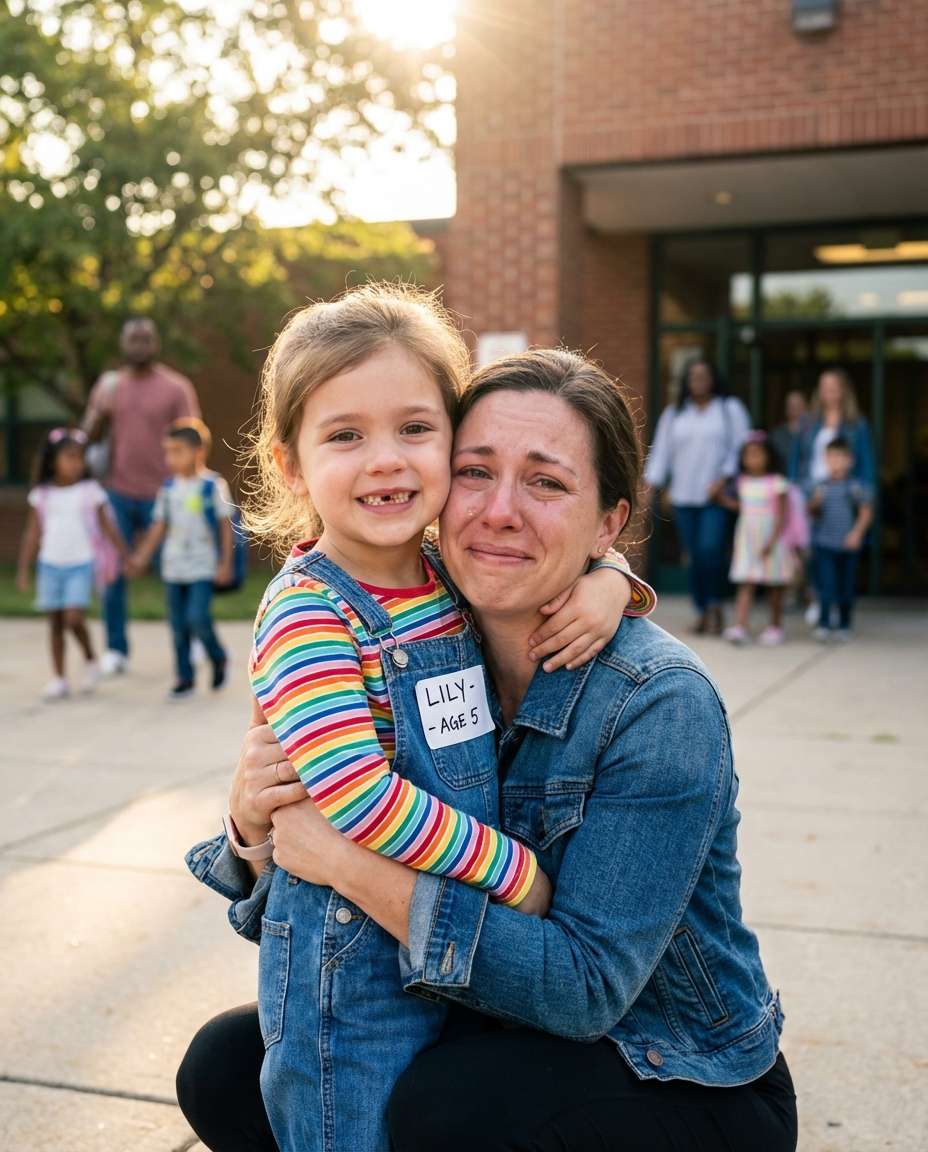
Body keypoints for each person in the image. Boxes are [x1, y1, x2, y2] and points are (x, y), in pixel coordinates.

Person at [177, 348, 797, 1152]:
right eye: (476, 472)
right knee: (227, 1064)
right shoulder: (419, 617)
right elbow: (321, 924)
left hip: (672, 1071)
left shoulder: (658, 704)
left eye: (546, 482)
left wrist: (346, 861)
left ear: (609, 521)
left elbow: (583, 992)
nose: (501, 510)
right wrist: (254, 832)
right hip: (483, 1013)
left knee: (447, 1109)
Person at [82, 317, 201, 675]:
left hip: (165, 495)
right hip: (117, 491)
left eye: (146, 339)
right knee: (113, 572)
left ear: (156, 343)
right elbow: (87, 435)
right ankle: (116, 649)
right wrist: (100, 409)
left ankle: (189, 640)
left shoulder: (176, 387)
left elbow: (194, 440)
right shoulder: (110, 385)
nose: (139, 345)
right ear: (123, 344)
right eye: (133, 339)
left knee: (178, 572)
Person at [15, 428, 128, 700]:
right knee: (55, 622)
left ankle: (90, 659)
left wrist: (126, 556)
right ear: (53, 461)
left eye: (80, 457)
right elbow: (33, 533)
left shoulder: (90, 491)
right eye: (69, 457)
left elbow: (108, 527)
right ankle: (59, 678)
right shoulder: (42, 494)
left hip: (80, 564)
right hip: (50, 565)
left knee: (73, 617)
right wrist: (23, 569)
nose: (76, 463)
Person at [643, 356, 750, 635]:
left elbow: (741, 449)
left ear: (713, 378)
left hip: (715, 496)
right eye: (693, 376)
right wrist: (650, 486)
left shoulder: (729, 409)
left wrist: (724, 478)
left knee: (710, 550)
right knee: (693, 556)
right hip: (683, 496)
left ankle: (715, 605)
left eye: (704, 375)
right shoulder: (675, 413)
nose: (698, 381)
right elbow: (662, 453)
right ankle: (703, 610)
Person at [127, 422, 233, 698]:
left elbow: (225, 527)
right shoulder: (169, 488)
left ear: (198, 452)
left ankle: (218, 656)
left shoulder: (213, 485)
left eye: (177, 451)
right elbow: (159, 527)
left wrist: (225, 564)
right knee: (177, 625)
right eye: (168, 452)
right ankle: (184, 677)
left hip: (203, 566)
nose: (170, 458)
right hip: (173, 567)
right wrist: (141, 558)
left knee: (197, 617)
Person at [721, 433, 794, 646]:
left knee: (774, 586)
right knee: (746, 583)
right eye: (748, 455)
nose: (752, 459)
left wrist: (772, 541)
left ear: (769, 457)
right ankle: (740, 626)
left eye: (757, 454)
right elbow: (743, 508)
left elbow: (782, 515)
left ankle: (775, 626)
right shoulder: (742, 482)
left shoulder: (777, 482)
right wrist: (722, 499)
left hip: (771, 541)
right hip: (747, 540)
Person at [808, 436, 873, 642]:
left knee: (846, 587)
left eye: (839, 457)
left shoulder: (855, 487)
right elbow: (811, 513)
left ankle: (844, 624)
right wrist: (815, 503)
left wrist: (857, 534)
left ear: (849, 460)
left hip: (847, 544)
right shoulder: (821, 486)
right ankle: (824, 624)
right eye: (831, 457)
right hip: (825, 543)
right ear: (825, 460)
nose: (835, 462)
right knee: (826, 586)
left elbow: (865, 512)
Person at [770, 388, 809, 476]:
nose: (795, 409)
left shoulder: (813, 434)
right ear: (786, 408)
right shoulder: (777, 435)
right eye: (791, 405)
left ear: (807, 407)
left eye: (799, 405)